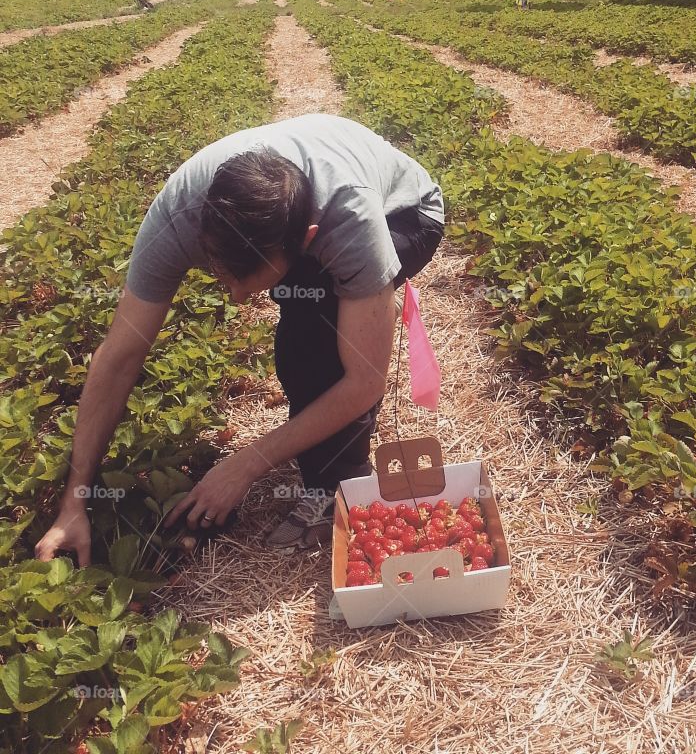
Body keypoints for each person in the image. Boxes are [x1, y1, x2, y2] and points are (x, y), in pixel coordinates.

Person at [34, 113, 445, 561]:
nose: (234, 297)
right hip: (312, 209)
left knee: (314, 338)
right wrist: (73, 503)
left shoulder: (351, 220)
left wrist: (245, 465)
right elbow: (118, 357)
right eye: (222, 275)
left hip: (407, 212)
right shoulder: (176, 218)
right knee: (299, 340)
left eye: (249, 283)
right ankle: (321, 396)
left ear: (306, 240)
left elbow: (365, 381)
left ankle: (338, 485)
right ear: (203, 236)